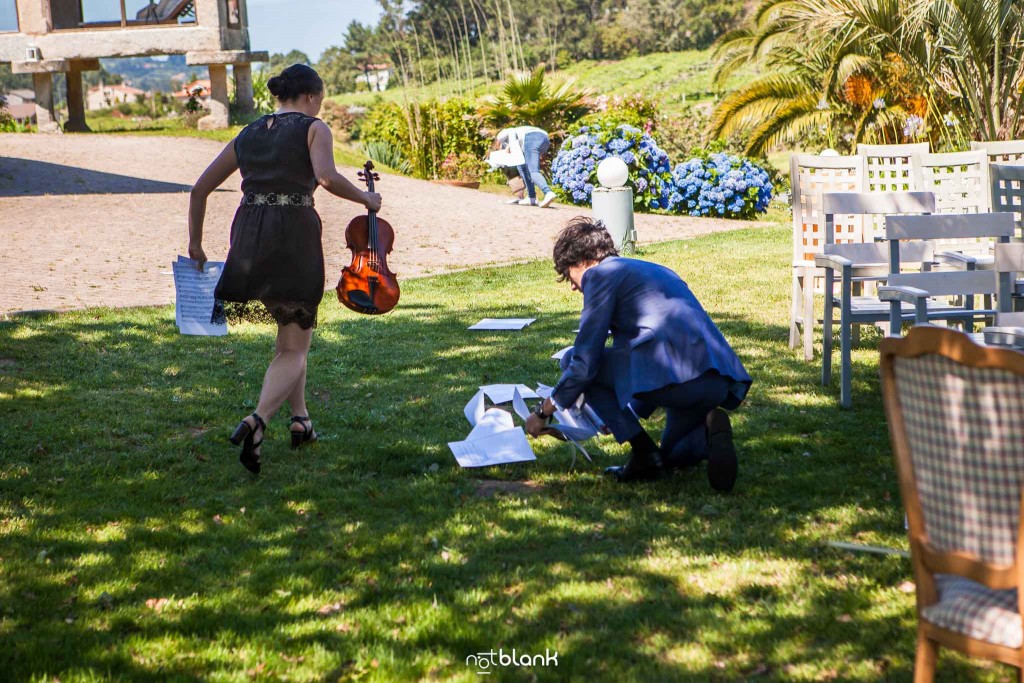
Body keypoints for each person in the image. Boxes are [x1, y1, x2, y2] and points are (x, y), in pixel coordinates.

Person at [187, 64, 382, 474]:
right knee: (295, 346)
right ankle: (257, 420)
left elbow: (200, 188)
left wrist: (195, 243)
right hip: (292, 237)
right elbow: (326, 178)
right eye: (321, 101)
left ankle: (301, 420)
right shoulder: (315, 128)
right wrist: (367, 199)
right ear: (311, 97)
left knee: (289, 337)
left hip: (248, 237)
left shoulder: (250, 132)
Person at [524, 218, 752, 491]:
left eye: (568, 273)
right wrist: (616, 415)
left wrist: (543, 411)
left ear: (584, 261)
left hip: (674, 379)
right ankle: (708, 430)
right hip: (714, 381)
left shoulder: (599, 276)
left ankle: (642, 451)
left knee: (570, 358)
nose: (572, 286)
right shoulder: (653, 269)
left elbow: (585, 362)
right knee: (670, 457)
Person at [492, 125, 557, 208]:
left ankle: (548, 192)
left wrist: (500, 149)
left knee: (532, 171)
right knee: (522, 167)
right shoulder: (518, 143)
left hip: (532, 137)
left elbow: (509, 132)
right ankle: (531, 197)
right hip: (544, 140)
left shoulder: (502, 135)